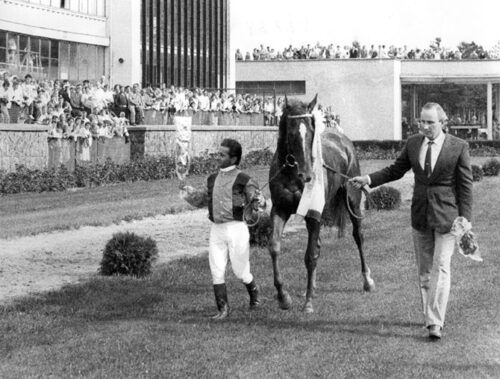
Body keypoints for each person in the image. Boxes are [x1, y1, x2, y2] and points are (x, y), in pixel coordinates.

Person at [349, 102, 473, 340]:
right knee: (425, 271)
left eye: (430, 122)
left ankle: (435, 322)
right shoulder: (414, 143)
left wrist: (465, 220)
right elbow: (396, 170)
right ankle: (430, 318)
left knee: (442, 267)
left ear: (443, 123)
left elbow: (465, 187)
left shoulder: (458, 147)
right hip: (420, 215)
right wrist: (368, 178)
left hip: (448, 218)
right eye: (421, 122)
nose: (424, 127)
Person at [181, 139, 266, 320]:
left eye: (222, 154)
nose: (217, 157)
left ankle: (254, 294)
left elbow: (257, 198)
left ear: (233, 158)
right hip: (216, 230)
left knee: (240, 271)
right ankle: (223, 309)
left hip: (237, 229)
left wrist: (258, 201)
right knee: (216, 269)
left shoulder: (245, 179)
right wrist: (187, 193)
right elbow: (203, 199)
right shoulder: (212, 179)